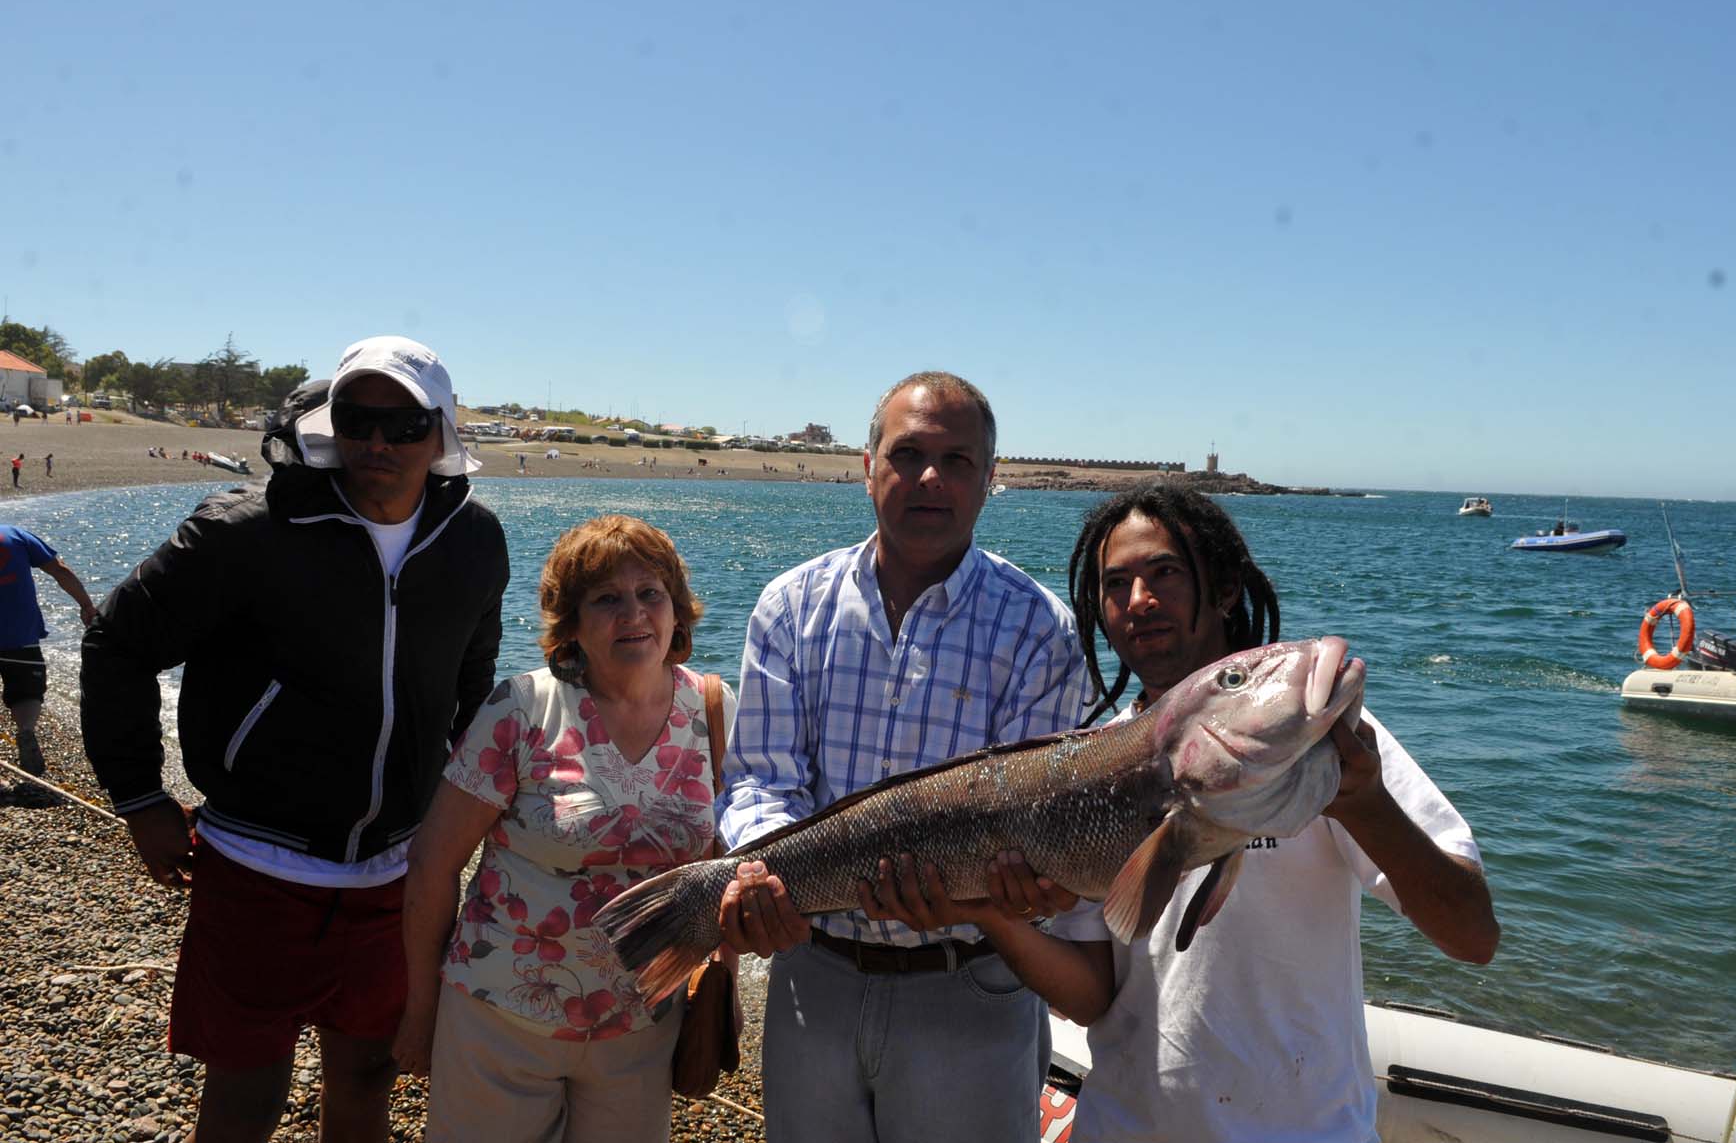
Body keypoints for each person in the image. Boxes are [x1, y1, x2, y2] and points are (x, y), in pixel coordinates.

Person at [949, 480, 1498, 1143]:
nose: (1139, 599)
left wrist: (1366, 805)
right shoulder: (1092, 772)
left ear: (1226, 589)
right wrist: (986, 912)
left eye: (1165, 573)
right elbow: (1092, 997)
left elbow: (1472, 936)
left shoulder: (1338, 749)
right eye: (1116, 584)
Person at [80, 336, 509, 1143]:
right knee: (245, 1096)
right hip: (254, 867)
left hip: (397, 876)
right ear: (329, 423)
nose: (377, 441)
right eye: (356, 419)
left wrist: (474, 820)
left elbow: (472, 683)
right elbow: (117, 644)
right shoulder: (245, 531)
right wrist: (138, 798)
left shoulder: (474, 540)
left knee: (368, 1081)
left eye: (404, 425)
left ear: (441, 434)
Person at [715, 370, 1090, 1142]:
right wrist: (762, 881)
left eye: (956, 461)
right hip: (811, 976)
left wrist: (1005, 891)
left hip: (971, 988)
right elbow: (760, 779)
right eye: (907, 454)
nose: (929, 478)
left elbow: (1037, 828)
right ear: (867, 466)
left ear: (989, 479)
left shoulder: (1039, 630)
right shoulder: (790, 606)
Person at [395, 515, 735, 1142]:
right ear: (571, 621)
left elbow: (727, 872)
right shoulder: (521, 708)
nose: (633, 614)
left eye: (650, 593)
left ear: (677, 609)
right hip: (502, 1018)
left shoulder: (713, 710)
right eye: (606, 598)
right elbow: (434, 863)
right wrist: (420, 1010)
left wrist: (721, 985)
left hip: (643, 1027)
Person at [0, 526, 99, 775]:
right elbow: (59, 571)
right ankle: (26, 730)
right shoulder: (14, 536)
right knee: (27, 692)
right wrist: (86, 605)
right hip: (20, 635)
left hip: (19, 633)